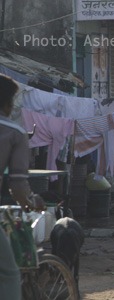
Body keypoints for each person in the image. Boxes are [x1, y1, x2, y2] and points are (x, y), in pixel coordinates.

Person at [0, 75, 29, 300]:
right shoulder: (14, 132)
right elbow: (18, 187)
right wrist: (29, 202)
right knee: (9, 273)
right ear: (8, 103)